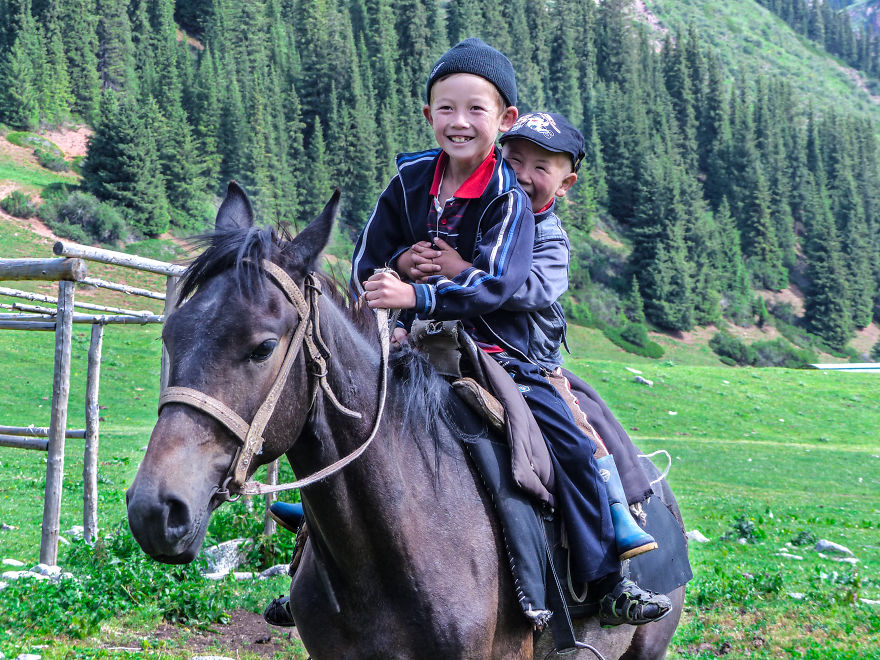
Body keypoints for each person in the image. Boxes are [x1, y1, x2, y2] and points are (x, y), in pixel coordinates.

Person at [352, 38, 671, 628]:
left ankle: (605, 576)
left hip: (510, 354)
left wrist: (439, 281)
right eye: (447, 109)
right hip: (419, 339)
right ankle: (319, 559)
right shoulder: (414, 181)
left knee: (569, 444)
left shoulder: (514, 205)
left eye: (540, 168)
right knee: (342, 407)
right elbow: (369, 257)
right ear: (429, 115)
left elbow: (508, 286)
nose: (524, 176)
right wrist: (399, 265)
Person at [401, 110, 659, 563]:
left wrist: (461, 270)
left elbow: (529, 289)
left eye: (541, 167)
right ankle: (319, 517)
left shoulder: (549, 238)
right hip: (443, 345)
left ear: (565, 184)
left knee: (572, 433)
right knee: (361, 395)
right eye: (513, 160)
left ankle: (613, 522)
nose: (522, 175)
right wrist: (412, 263)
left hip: (519, 360)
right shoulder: (476, 213)